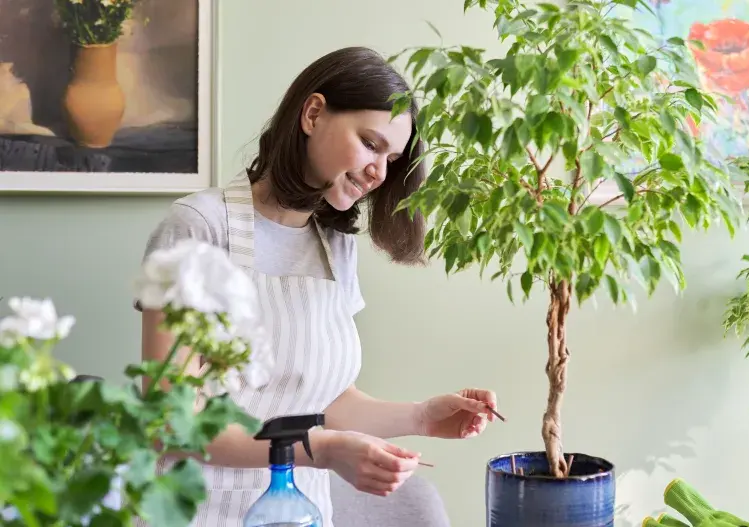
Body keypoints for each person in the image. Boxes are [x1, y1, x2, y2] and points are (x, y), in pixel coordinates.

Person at [135, 46, 499, 527]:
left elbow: (324, 402)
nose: (379, 172)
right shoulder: (199, 227)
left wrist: (421, 417)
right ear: (312, 114)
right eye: (370, 144)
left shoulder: (335, 247)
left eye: (391, 158)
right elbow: (169, 421)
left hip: (300, 515)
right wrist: (317, 449)